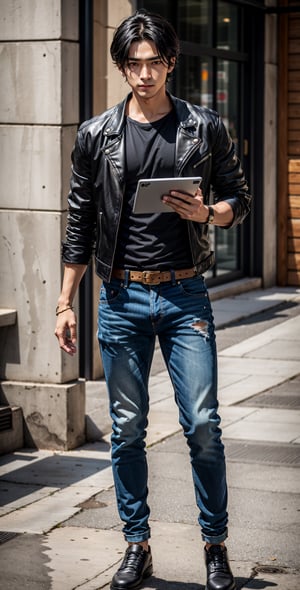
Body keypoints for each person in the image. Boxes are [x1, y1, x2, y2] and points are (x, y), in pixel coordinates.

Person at [55, 10, 251, 590]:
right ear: (122, 68)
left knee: (204, 424)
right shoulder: (96, 136)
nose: (144, 74)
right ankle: (136, 545)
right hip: (121, 297)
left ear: (170, 63)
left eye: (154, 63)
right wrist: (66, 302)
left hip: (186, 294)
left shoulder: (204, 127)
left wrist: (209, 212)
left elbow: (239, 197)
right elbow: (79, 221)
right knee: (127, 426)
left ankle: (215, 546)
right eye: (133, 65)